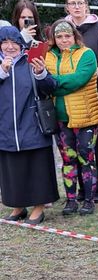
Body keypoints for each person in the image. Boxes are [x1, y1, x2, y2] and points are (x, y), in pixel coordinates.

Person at [0, 25, 59, 224]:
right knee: (12, 169)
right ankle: (18, 207)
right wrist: (2, 73)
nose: (9, 47)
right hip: (6, 127)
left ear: (21, 43)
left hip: (32, 124)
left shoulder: (31, 60)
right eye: (4, 42)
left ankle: (39, 207)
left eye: (14, 42)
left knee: (37, 167)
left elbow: (51, 86)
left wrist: (41, 73)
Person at [44, 20, 98, 215]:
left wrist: (52, 81)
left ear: (74, 36)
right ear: (53, 38)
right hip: (60, 118)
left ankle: (88, 200)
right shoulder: (48, 56)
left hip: (85, 116)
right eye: (59, 37)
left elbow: (78, 80)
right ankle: (70, 200)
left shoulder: (86, 54)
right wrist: (50, 82)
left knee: (86, 158)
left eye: (67, 36)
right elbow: (42, 83)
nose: (63, 40)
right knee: (67, 159)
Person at [65, 0, 98, 203]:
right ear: (67, 7)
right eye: (72, 3)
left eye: (80, 3)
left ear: (87, 6)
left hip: (94, 93)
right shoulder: (62, 29)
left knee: (97, 143)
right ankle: (79, 190)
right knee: (73, 146)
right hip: (68, 96)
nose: (76, 7)